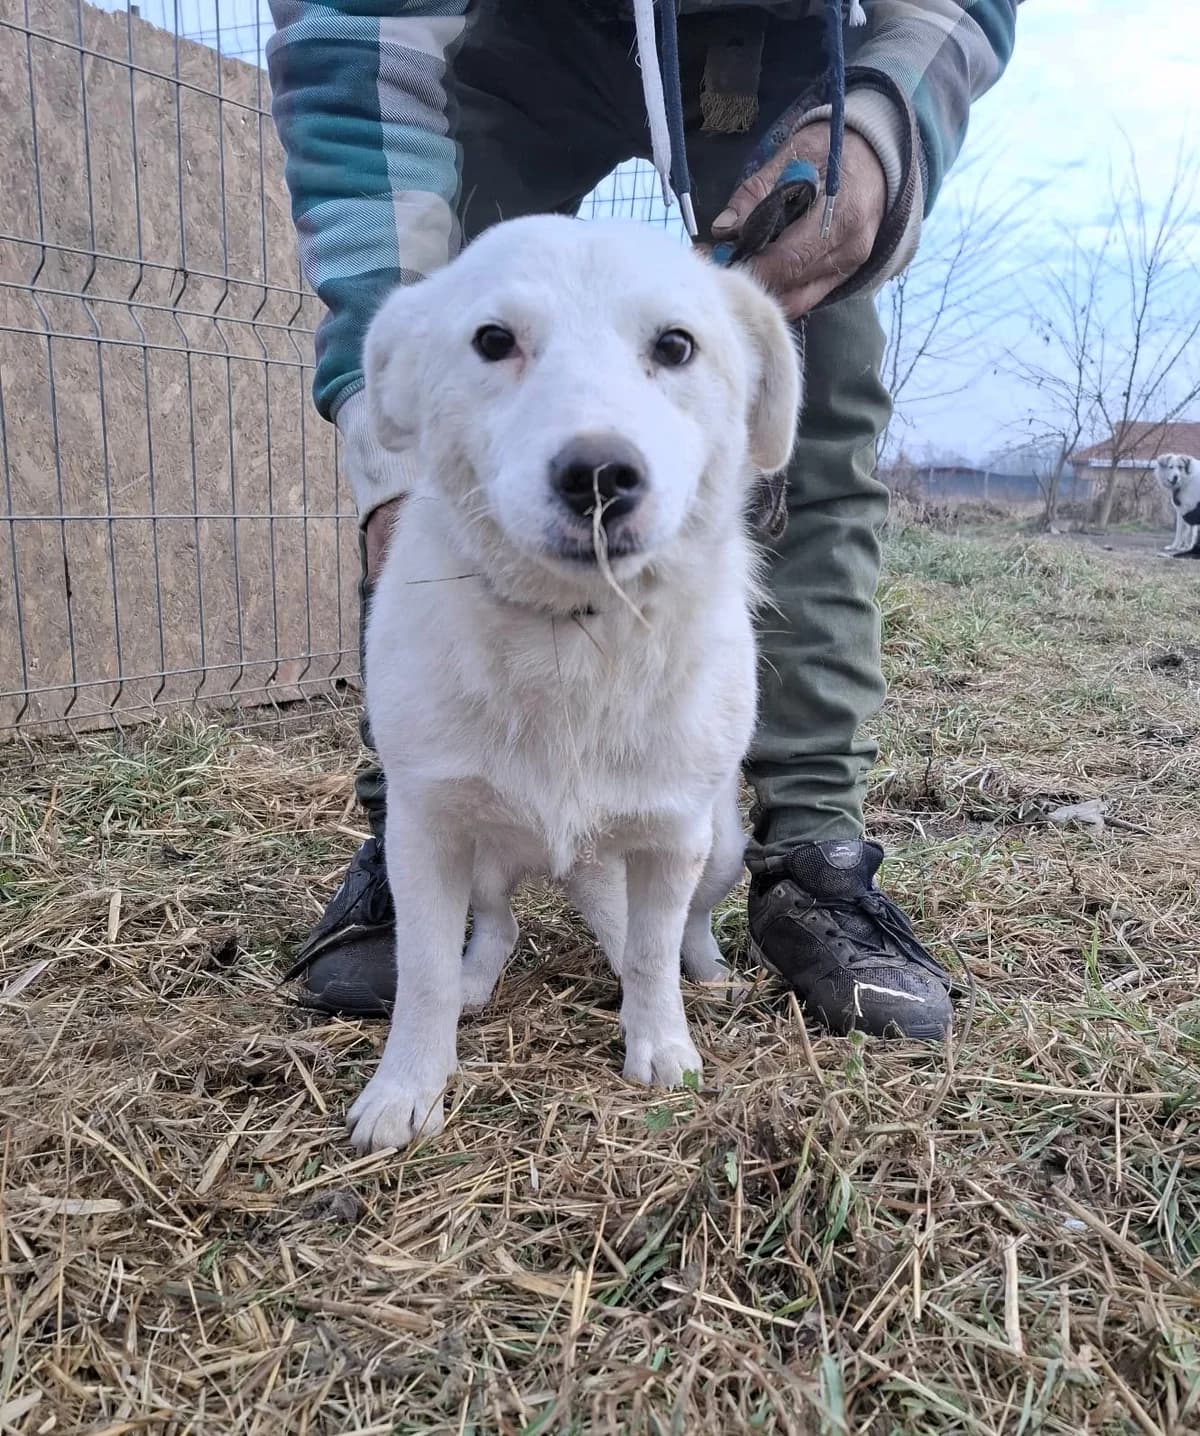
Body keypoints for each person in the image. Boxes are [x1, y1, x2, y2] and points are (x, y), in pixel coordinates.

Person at [267, 0, 1017, 1039]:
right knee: (455, 249)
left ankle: (812, 850)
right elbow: (354, 42)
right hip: (511, 31)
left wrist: (884, 126)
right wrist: (389, 451)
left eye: (666, 353)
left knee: (823, 394)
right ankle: (422, 823)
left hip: (789, 30)